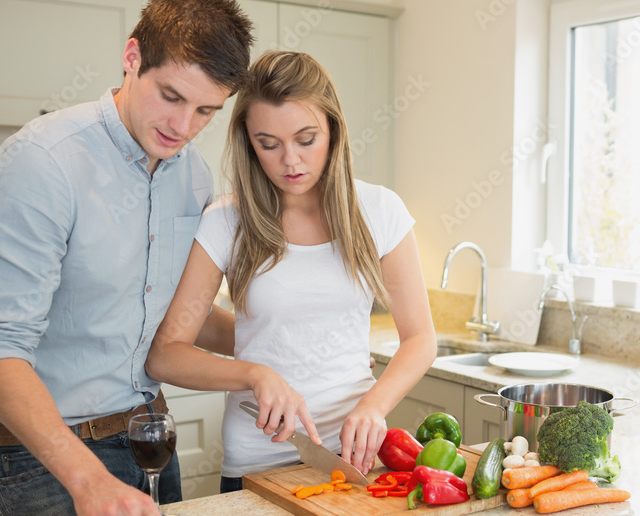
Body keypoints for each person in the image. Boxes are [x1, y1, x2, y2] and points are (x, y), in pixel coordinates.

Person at [0, 0, 255, 516]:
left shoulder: (189, 172)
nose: (183, 126)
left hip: (148, 433)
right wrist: (88, 478)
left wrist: (283, 351)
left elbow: (180, 311)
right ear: (132, 57)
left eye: (206, 111)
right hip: (46, 451)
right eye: (170, 96)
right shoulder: (42, 162)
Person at [146, 51, 437, 491]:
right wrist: (255, 373)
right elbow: (167, 352)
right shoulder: (226, 221)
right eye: (268, 144)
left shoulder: (380, 211)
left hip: (353, 454)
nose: (290, 161)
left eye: (306, 139)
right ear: (248, 142)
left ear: (333, 131)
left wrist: (374, 407)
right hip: (256, 461)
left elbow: (420, 338)